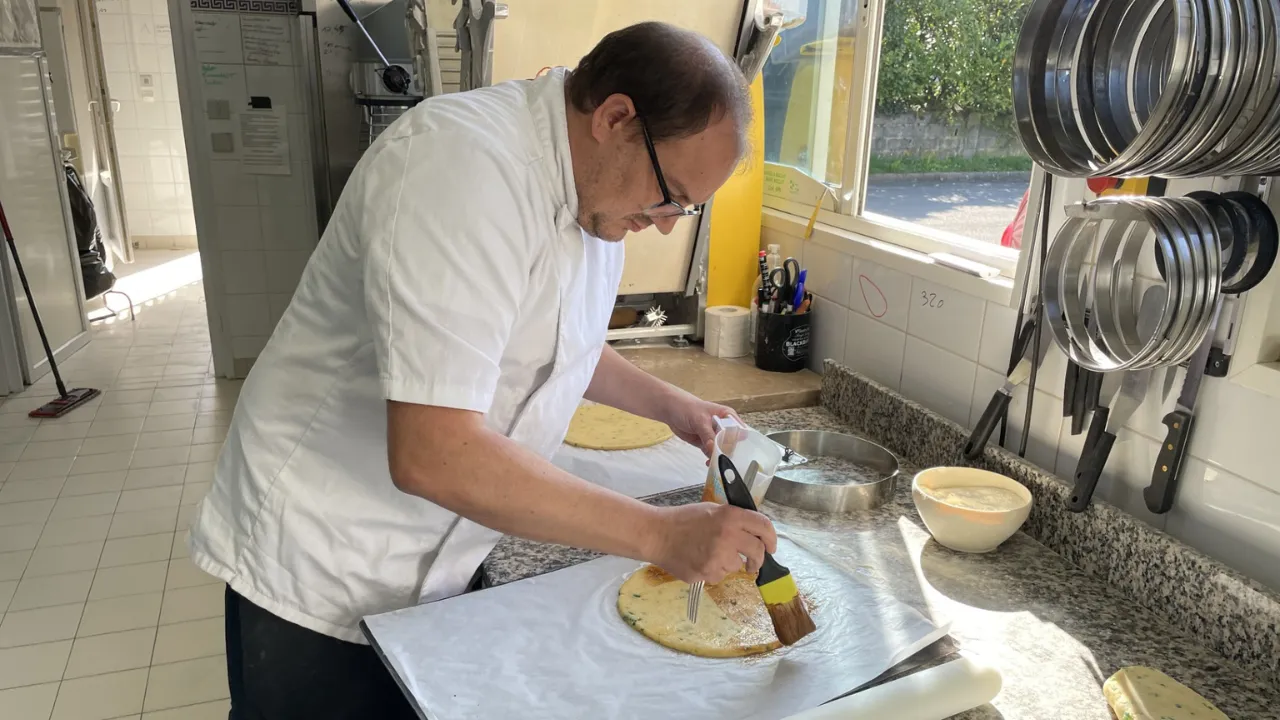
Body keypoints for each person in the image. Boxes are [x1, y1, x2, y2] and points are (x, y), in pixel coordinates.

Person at [190, 21, 778, 719]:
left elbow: (559, 342)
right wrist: (661, 534)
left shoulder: (600, 197)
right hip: (322, 560)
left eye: (685, 207)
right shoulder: (459, 168)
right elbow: (432, 453)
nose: (669, 223)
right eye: (669, 195)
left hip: (445, 559)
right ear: (616, 118)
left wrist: (673, 405)